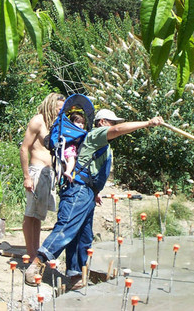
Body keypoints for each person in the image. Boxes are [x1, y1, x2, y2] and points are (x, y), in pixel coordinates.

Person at [25, 108, 164, 289]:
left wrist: (95, 192)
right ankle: (37, 263)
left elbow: (91, 168)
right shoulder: (96, 135)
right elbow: (116, 131)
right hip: (78, 191)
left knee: (83, 236)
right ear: (102, 122)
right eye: (112, 122)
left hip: (87, 193)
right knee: (66, 227)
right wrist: (147, 123)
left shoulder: (102, 145)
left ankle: (76, 276)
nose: (114, 126)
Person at [20, 93, 65, 260]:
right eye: (59, 108)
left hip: (49, 173)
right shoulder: (38, 121)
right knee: (30, 213)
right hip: (36, 171)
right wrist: (27, 176)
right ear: (51, 105)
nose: (61, 111)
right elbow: (24, 148)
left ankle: (36, 251)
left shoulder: (55, 123)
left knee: (38, 215)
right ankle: (30, 253)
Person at [63, 112, 86, 183]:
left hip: (72, 149)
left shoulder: (81, 132)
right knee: (71, 160)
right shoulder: (71, 131)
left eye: (82, 123)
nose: (80, 125)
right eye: (78, 122)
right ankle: (68, 172)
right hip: (69, 148)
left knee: (73, 161)